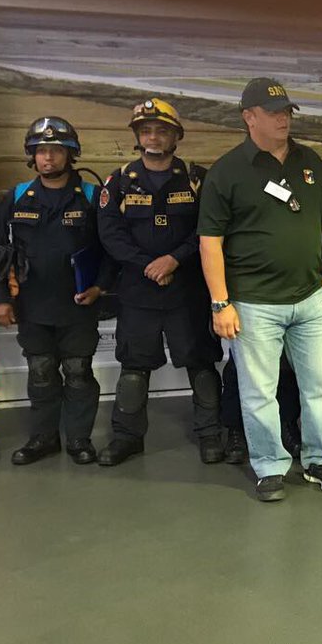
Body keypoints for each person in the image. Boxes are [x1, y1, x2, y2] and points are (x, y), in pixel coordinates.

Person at [199, 78, 322, 502]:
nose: (284, 118)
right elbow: (210, 242)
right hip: (253, 305)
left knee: (321, 386)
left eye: (287, 111)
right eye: (273, 112)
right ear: (249, 117)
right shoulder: (227, 171)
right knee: (259, 391)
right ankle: (269, 466)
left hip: (311, 298)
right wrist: (220, 302)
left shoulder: (310, 162)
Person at [97, 99, 224, 466]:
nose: (153, 137)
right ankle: (127, 437)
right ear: (137, 136)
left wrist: (174, 259)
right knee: (134, 369)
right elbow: (110, 233)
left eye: (162, 130)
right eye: (146, 131)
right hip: (139, 292)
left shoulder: (198, 178)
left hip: (188, 292)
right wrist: (148, 264)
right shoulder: (119, 180)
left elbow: (208, 228)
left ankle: (210, 435)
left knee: (200, 364)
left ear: (176, 137)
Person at [0, 118, 112, 465]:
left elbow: (109, 249)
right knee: (41, 370)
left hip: (78, 304)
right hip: (32, 303)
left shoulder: (90, 196)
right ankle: (43, 438)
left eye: (56, 150)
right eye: (41, 151)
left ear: (70, 154)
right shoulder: (16, 196)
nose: (48, 158)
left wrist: (100, 286)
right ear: (32, 155)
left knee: (77, 371)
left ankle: (79, 440)